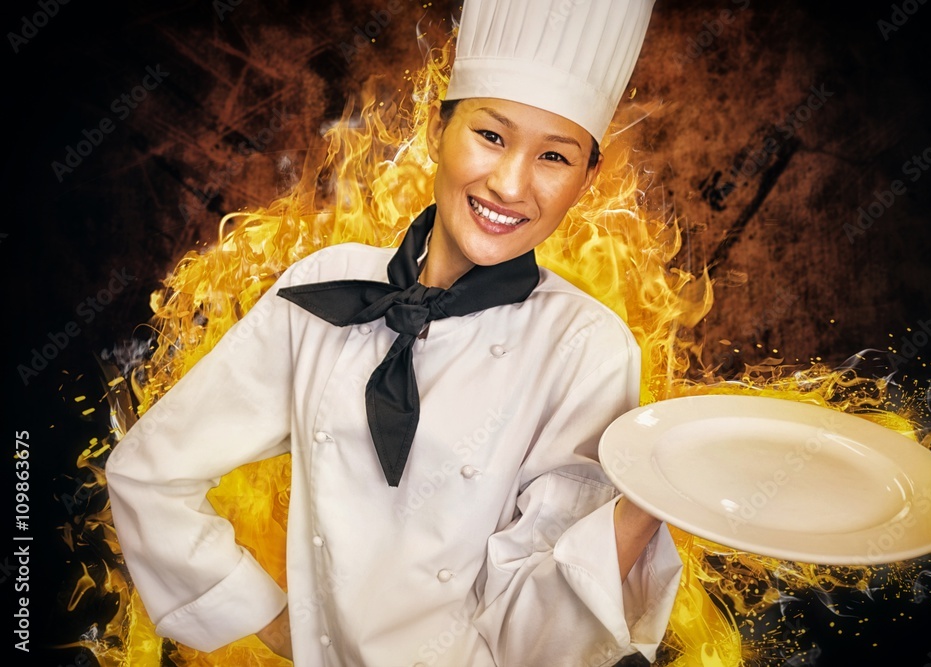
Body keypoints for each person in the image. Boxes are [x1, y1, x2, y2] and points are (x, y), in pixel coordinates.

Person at [105, 1, 683, 665]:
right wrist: (274, 621)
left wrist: (648, 505)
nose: (510, 183)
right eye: (491, 136)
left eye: (554, 155)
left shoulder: (587, 347)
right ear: (440, 127)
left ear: (588, 178)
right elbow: (149, 472)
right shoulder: (327, 286)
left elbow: (540, 641)